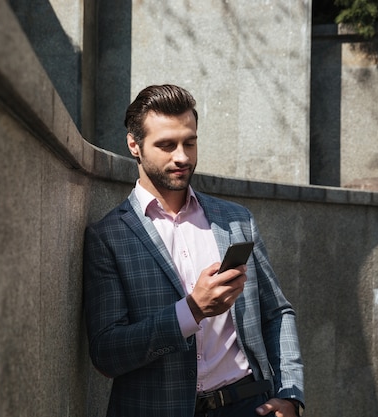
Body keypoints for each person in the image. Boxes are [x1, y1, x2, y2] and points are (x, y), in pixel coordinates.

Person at [83, 84, 304, 417]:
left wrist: (290, 394)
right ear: (134, 145)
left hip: (247, 404)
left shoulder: (235, 220)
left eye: (190, 142)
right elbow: (107, 353)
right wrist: (192, 311)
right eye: (167, 145)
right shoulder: (109, 236)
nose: (182, 157)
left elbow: (276, 313)